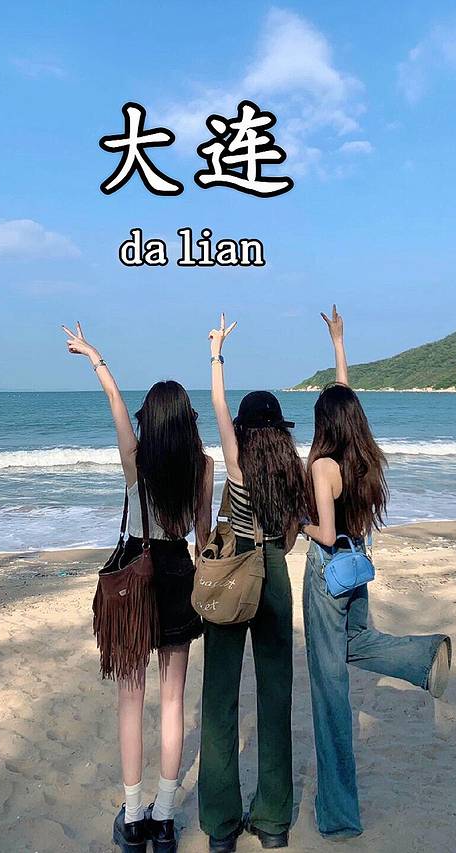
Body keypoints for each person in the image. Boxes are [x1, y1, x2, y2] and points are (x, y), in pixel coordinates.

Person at [301, 306, 452, 841]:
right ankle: (422, 656)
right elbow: (345, 397)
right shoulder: (363, 459)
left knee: (329, 690)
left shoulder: (322, 466)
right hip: (357, 565)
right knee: (357, 642)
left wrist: (298, 523)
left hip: (327, 572)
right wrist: (339, 343)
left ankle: (340, 814)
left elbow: (324, 532)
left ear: (324, 424)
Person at [63, 322, 214, 853]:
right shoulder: (202, 466)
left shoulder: (135, 458)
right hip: (178, 576)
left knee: (131, 702)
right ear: (187, 421)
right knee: (173, 702)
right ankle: (165, 818)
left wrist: (95, 358)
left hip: (135, 575)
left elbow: (115, 404)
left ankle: (132, 819)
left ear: (150, 422)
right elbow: (202, 538)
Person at [198, 314, 308, 852]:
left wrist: (216, 353)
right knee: (275, 693)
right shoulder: (292, 470)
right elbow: (291, 536)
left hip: (234, 570)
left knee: (220, 697)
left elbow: (218, 406)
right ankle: (273, 822)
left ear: (243, 429)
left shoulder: (236, 463)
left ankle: (221, 827)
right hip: (274, 574)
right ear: (281, 430)